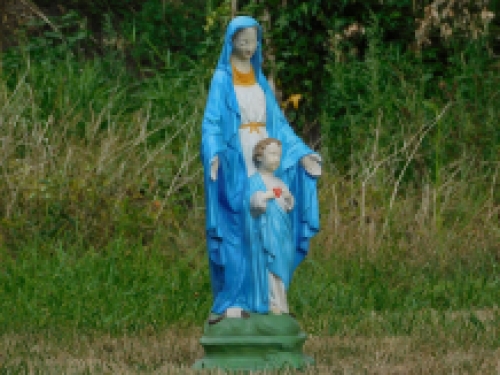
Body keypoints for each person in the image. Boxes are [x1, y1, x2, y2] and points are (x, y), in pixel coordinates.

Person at [200, 15, 321, 323]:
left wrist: (302, 154)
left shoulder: (259, 79)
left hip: (266, 154)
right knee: (238, 227)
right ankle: (234, 299)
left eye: (253, 41)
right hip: (236, 159)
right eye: (243, 42)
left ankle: (268, 298)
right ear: (231, 42)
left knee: (268, 222)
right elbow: (212, 122)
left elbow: (278, 124)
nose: (249, 47)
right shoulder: (221, 80)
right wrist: (213, 153)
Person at [247, 138, 295, 315]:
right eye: (272, 154)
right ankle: (271, 302)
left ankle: (282, 302)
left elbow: (288, 205)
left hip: (282, 233)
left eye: (279, 155)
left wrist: (289, 198)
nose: (276, 159)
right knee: (269, 264)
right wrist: (265, 196)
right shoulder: (253, 181)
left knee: (282, 264)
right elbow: (252, 205)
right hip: (265, 232)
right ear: (259, 157)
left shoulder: (280, 182)